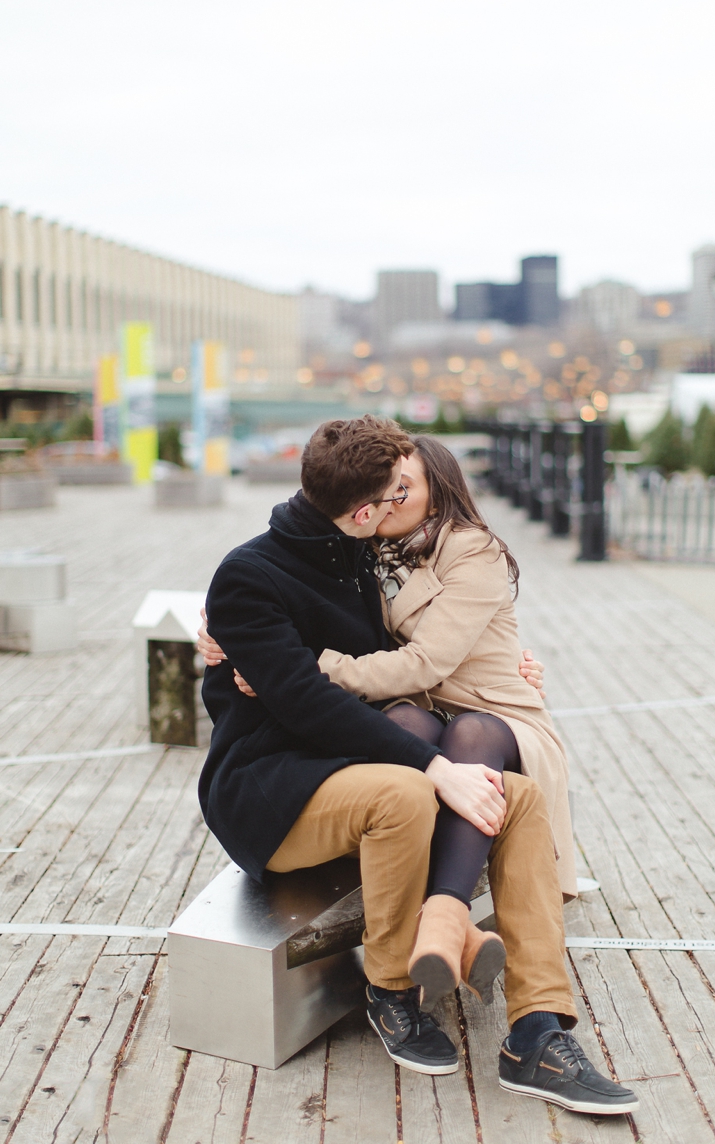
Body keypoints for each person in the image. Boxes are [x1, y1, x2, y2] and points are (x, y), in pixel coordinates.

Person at [199, 415, 637, 1115]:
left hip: (360, 760)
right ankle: (394, 988)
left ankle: (537, 1030)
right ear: (365, 509)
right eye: (395, 488)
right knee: (407, 791)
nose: (405, 497)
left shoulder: (365, 558)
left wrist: (511, 671)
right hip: (271, 784)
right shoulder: (250, 574)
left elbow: (424, 656)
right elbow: (307, 704)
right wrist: (220, 644)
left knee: (511, 794)